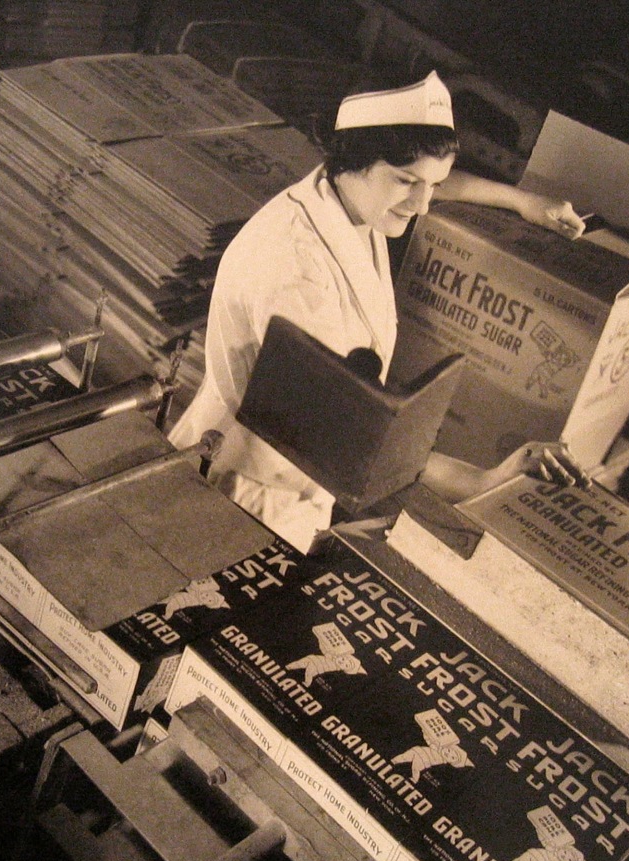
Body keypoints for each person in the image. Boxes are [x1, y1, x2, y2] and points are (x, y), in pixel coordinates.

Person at [169, 72, 588, 552]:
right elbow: (362, 446)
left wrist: (522, 200)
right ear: (355, 160)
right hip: (251, 496)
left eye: (432, 183)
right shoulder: (296, 274)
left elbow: (428, 179)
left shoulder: (344, 196)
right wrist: (487, 478)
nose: (424, 204)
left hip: (296, 474)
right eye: (408, 183)